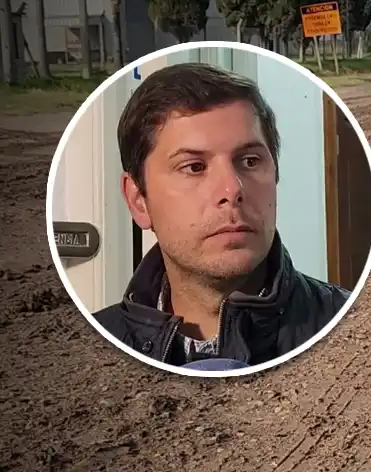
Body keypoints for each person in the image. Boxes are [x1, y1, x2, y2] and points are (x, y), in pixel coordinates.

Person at [92, 62, 350, 368]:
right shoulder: (91, 354)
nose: (232, 188)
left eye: (250, 161)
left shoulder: (353, 327)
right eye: (194, 167)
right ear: (138, 201)